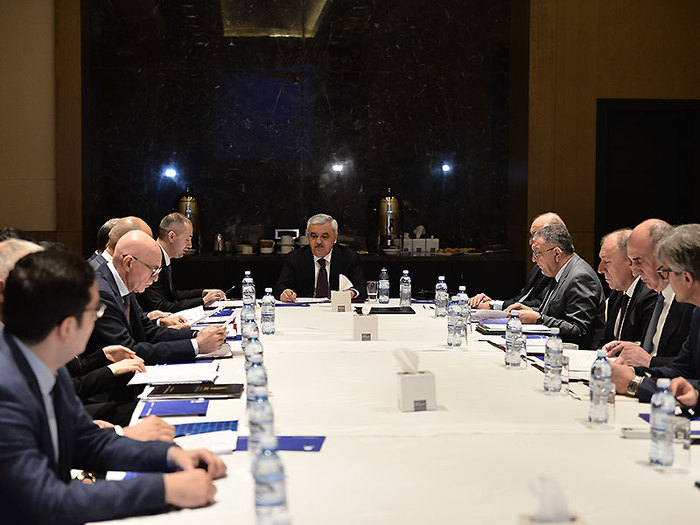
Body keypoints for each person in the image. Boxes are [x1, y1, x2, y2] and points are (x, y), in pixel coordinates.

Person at [0, 250, 226, 524]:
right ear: (67, 327)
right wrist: (165, 489)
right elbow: (45, 501)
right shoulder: (7, 389)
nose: (98, 319)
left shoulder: (44, 360)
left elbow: (87, 441)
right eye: (95, 311)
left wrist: (170, 456)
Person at [0, 239, 174, 440]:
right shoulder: (13, 362)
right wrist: (117, 433)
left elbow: (69, 416)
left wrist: (101, 357)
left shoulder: (32, 339)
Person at [86, 230, 227, 365]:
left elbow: (145, 329)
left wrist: (196, 335)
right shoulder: (101, 294)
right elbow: (127, 352)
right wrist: (196, 345)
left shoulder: (123, 281)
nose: (156, 278)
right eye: (153, 270)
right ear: (128, 263)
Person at [609, 224, 700, 404]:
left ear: (687, 278)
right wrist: (629, 373)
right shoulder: (698, 312)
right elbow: (680, 369)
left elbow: (691, 387)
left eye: (667, 271)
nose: (665, 278)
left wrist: (635, 384)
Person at [605, 219, 694, 367]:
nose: (634, 271)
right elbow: (656, 351)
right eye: (631, 262)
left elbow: (691, 365)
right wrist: (636, 348)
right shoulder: (659, 296)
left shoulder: (691, 301)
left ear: (664, 257)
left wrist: (648, 362)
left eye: (639, 261)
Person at [506, 223, 605, 348]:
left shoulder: (580, 277)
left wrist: (538, 319)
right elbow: (554, 314)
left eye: (537, 253)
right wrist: (531, 312)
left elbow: (578, 331)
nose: (533, 259)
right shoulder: (560, 272)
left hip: (573, 354)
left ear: (557, 253)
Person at [469, 212, 564, 311]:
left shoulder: (559, 267)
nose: (531, 241)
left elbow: (540, 305)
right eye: (531, 236)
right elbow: (521, 299)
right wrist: (493, 303)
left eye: (536, 235)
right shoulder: (539, 265)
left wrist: (492, 305)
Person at [137, 212, 226, 313]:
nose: (190, 245)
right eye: (187, 239)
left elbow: (172, 295)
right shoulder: (151, 259)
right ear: (171, 236)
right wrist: (203, 301)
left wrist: (203, 293)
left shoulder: (164, 257)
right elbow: (159, 306)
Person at [274, 213, 367, 302]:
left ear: (335, 238)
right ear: (308, 237)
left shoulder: (348, 257)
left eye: (324, 237)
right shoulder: (295, 258)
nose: (318, 241)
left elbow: (361, 287)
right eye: (314, 236)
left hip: (336, 309)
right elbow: (280, 286)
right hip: (305, 309)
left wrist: (352, 293)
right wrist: (286, 293)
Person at [597, 228, 656, 346]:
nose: (600, 269)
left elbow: (645, 347)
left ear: (630, 261)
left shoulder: (650, 294)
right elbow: (606, 340)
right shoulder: (617, 293)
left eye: (607, 261)